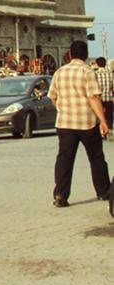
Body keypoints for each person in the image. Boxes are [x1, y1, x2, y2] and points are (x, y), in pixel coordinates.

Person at [47, 40, 111, 208]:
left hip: (65, 123)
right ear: (86, 54)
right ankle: (103, 191)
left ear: (70, 54)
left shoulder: (59, 72)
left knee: (64, 159)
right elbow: (94, 97)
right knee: (96, 158)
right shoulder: (87, 71)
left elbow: (52, 96)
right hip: (87, 122)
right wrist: (103, 121)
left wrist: (62, 108)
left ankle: (60, 194)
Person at [95, 57, 113, 135]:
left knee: (99, 115)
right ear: (105, 63)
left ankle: (101, 131)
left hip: (98, 99)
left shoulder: (94, 74)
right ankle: (108, 130)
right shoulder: (111, 74)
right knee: (109, 115)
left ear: (97, 64)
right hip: (108, 97)